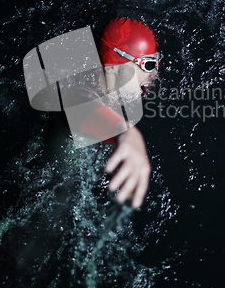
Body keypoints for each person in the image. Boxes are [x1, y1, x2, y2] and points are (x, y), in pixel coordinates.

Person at [45, 17, 161, 209]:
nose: (154, 73)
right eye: (147, 64)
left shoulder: (105, 88)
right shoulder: (79, 95)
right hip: (52, 201)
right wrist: (125, 133)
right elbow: (81, 110)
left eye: (156, 61)